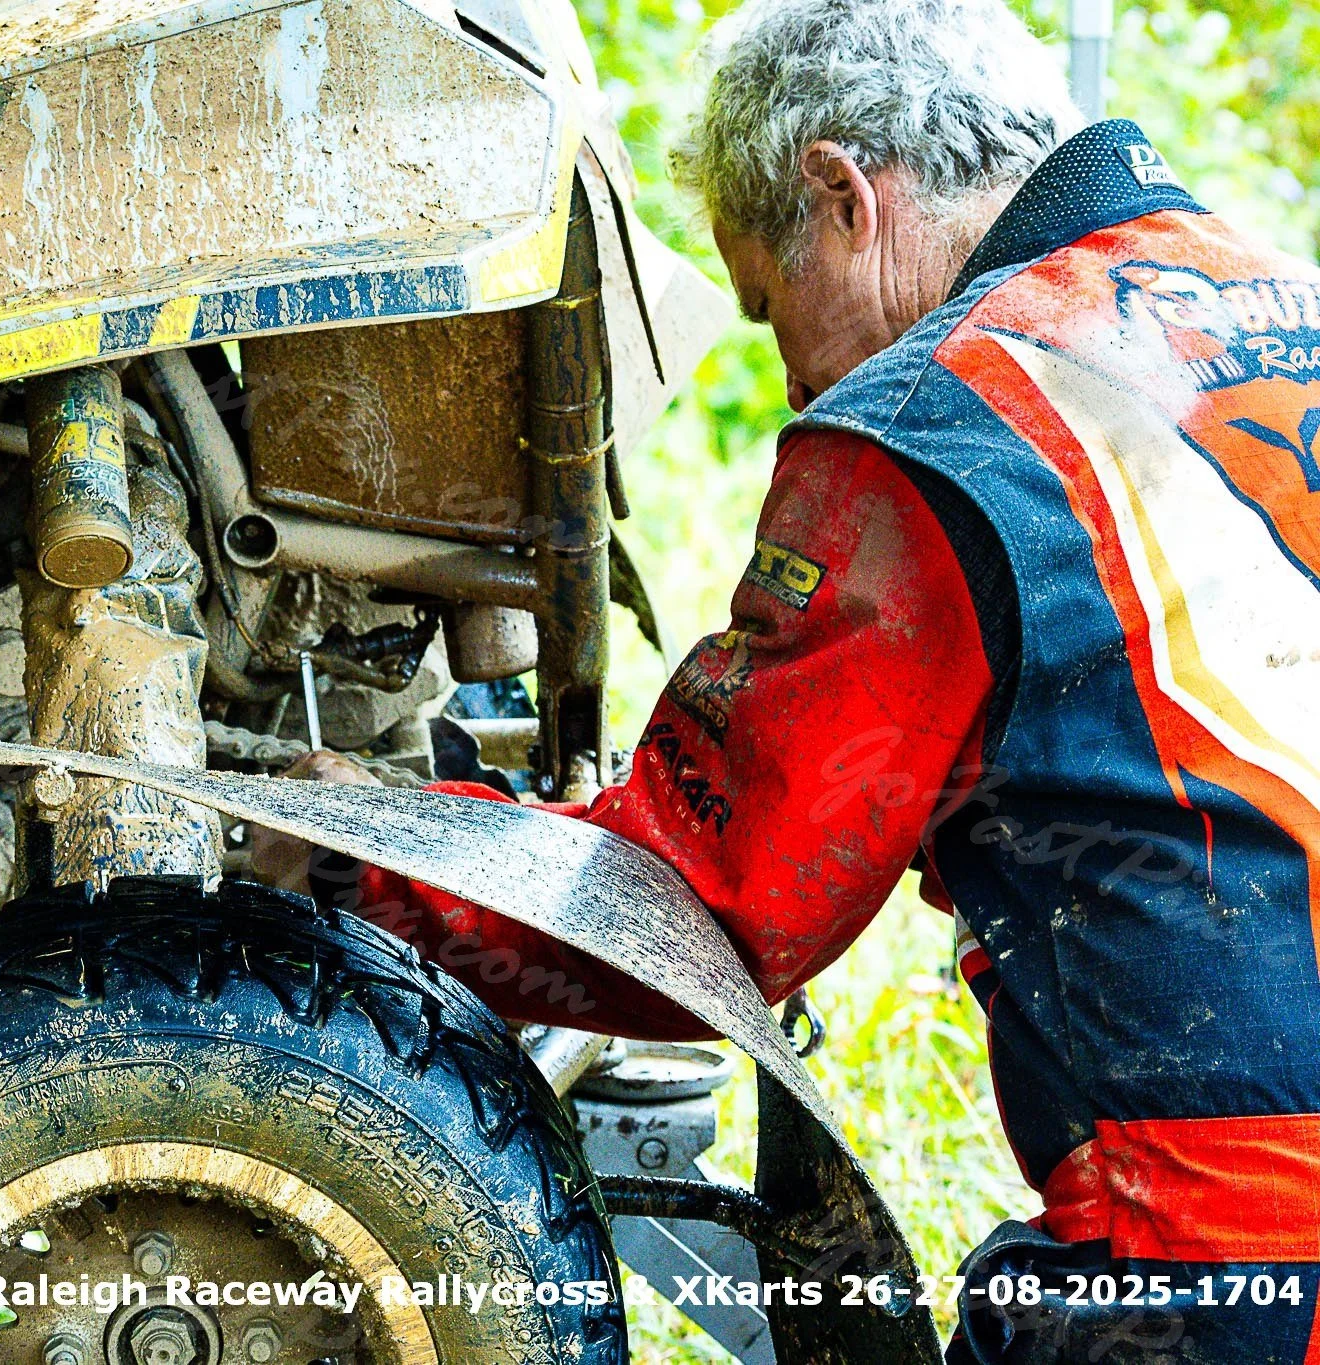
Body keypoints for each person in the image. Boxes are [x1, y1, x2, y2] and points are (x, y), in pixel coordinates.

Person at [260, 0, 1320, 1359]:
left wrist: (358, 861)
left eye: (770, 305)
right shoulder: (1269, 300)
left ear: (840, 195)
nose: (792, 368)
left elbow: (709, 906)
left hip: (1241, 1273)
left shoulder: (945, 425)